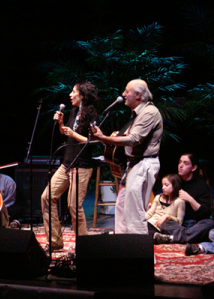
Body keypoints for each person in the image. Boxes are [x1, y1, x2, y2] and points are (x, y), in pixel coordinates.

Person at [91, 79, 162, 234]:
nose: (123, 94)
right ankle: (122, 247)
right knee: (122, 207)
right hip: (134, 165)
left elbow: (134, 139)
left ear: (138, 95)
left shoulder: (149, 112)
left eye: (126, 91)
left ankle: (140, 254)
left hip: (144, 164)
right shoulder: (137, 114)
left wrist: (104, 138)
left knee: (135, 212)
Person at [41, 81, 99, 251]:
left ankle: (84, 245)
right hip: (67, 163)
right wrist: (61, 124)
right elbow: (67, 134)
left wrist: (73, 133)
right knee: (46, 197)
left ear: (82, 95)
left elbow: (93, 141)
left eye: (73, 92)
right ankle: (55, 241)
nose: (70, 94)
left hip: (82, 165)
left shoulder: (92, 115)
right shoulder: (74, 111)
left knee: (73, 205)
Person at [153, 153, 214, 243]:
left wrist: (190, 199)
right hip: (177, 223)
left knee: (209, 224)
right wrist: (155, 204)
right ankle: (189, 237)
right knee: (165, 224)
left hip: (195, 223)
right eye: (180, 162)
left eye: (186, 163)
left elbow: (206, 212)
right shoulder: (175, 182)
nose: (181, 166)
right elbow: (165, 200)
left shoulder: (201, 185)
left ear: (193, 168)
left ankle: (175, 238)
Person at [146, 174, 185, 239]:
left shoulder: (180, 201)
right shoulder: (158, 197)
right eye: (162, 185)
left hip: (163, 228)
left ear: (175, 186)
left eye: (166, 185)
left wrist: (168, 216)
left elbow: (180, 222)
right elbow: (149, 214)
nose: (163, 187)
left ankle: (159, 237)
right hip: (150, 223)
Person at [0, 156, 21, 227]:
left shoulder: (8, 181)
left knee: (18, 209)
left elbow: (10, 201)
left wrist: (2, 210)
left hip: (5, 207)